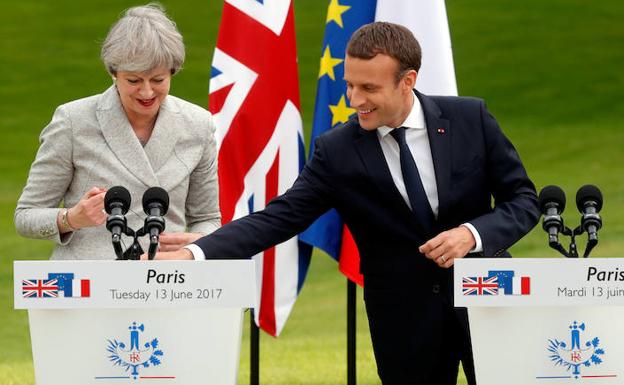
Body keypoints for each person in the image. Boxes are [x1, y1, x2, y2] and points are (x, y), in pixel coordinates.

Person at [151, 22, 540, 385]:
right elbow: (279, 218)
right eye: (350, 85)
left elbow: (523, 200)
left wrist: (472, 234)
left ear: (408, 81)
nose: (355, 99)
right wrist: (197, 254)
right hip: (403, 321)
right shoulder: (337, 151)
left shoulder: (469, 118)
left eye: (368, 88)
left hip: (487, 298)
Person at [14, 4, 220, 260]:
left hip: (166, 286)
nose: (146, 92)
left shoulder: (198, 124)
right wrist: (71, 218)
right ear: (113, 73)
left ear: (172, 72)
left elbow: (207, 218)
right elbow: (25, 216)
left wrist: (194, 245)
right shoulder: (72, 121)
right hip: (87, 289)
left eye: (158, 80)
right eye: (133, 81)